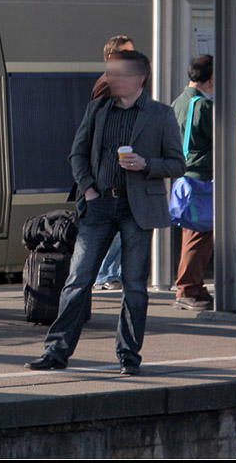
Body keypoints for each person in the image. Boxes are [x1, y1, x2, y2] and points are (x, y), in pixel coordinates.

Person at [26, 49, 185, 376]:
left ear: (140, 77)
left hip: (136, 208)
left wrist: (145, 164)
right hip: (99, 205)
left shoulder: (161, 115)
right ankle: (56, 351)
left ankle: (129, 356)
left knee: (134, 285)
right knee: (77, 281)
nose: (111, 79)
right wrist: (88, 190)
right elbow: (77, 154)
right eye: (110, 73)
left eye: (120, 74)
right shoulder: (97, 110)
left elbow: (177, 164)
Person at [172, 55, 215, 311]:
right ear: (210, 78)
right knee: (198, 235)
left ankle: (194, 285)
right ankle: (187, 288)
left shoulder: (178, 102)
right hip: (201, 178)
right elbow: (219, 140)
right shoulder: (204, 106)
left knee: (192, 233)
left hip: (184, 178)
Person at [92, 35, 134, 292]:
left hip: (122, 163)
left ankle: (111, 273)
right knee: (115, 225)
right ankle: (105, 274)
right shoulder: (107, 84)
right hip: (112, 166)